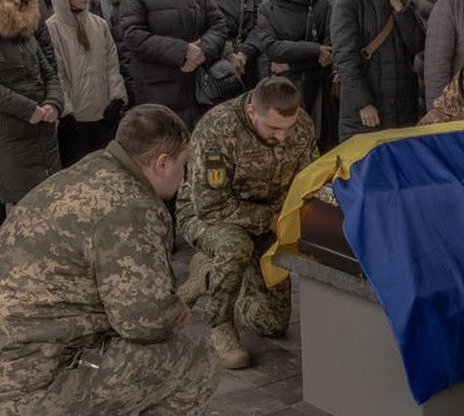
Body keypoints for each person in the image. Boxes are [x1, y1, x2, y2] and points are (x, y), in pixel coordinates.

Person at [0, 104, 219, 416]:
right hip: (27, 387)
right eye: (182, 167)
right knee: (195, 362)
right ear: (162, 162)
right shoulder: (129, 206)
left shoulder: (84, 175)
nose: (183, 180)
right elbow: (144, 322)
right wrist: (180, 301)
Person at [175, 77, 316, 370]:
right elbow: (211, 205)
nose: (282, 137)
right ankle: (221, 326)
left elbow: (306, 180)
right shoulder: (217, 129)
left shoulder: (301, 126)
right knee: (234, 245)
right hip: (209, 216)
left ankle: (211, 277)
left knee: (271, 324)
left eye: (287, 128)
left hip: (269, 219)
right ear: (252, 112)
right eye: (274, 128)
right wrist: (268, 220)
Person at [0, 0, 63, 206]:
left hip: (44, 134)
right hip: (9, 139)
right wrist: (28, 109)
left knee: (54, 202)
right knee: (27, 210)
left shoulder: (25, 29)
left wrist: (54, 102)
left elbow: (48, 72)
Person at [120, 0, 226, 129]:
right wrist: (182, 52)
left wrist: (202, 50)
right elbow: (133, 34)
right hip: (159, 92)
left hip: (201, 90)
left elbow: (218, 24)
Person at [47, 0, 128, 166]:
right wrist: (66, 112)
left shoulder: (100, 25)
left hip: (103, 116)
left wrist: (117, 98)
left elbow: (112, 65)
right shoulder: (52, 28)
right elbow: (56, 74)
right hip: (74, 122)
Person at [331, 0, 425, 141]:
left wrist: (400, 10)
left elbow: (417, 44)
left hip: (403, 110)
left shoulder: (403, 3)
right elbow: (345, 61)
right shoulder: (347, 4)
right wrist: (363, 103)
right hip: (365, 114)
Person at [252, 0, 336, 150]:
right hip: (283, 90)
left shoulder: (322, 5)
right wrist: (315, 49)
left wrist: (291, 65)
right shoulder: (267, 7)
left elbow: (329, 53)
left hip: (318, 87)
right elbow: (271, 48)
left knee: (320, 143)